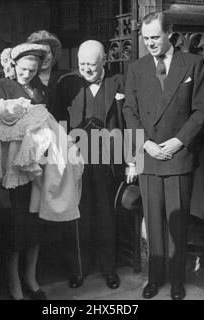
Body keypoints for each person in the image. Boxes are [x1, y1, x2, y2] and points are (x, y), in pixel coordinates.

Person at [123, 11, 204, 300]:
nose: (150, 43)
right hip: (149, 154)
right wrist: (144, 143)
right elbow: (129, 110)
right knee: (154, 221)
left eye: (155, 37)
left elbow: (201, 110)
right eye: (145, 38)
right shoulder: (136, 68)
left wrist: (178, 141)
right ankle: (154, 277)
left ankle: (177, 281)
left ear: (169, 32)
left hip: (177, 155)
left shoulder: (193, 64)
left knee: (177, 222)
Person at [53, 40, 125, 290]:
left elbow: (126, 121)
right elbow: (57, 119)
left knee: (106, 214)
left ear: (104, 60)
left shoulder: (118, 82)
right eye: (82, 64)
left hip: (106, 160)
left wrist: (130, 157)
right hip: (76, 158)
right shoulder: (67, 83)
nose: (86, 69)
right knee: (78, 215)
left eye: (92, 65)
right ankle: (78, 269)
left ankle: (108, 268)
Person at [0, 43, 49, 300]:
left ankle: (31, 278)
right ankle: (14, 284)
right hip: (10, 165)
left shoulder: (40, 89)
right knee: (14, 227)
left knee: (34, 224)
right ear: (13, 65)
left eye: (33, 70)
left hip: (36, 164)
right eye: (24, 69)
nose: (28, 74)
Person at [27, 30, 68, 112]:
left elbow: (66, 113)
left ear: (53, 54)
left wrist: (62, 125)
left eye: (48, 52)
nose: (45, 57)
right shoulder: (27, 80)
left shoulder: (65, 77)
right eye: (41, 53)